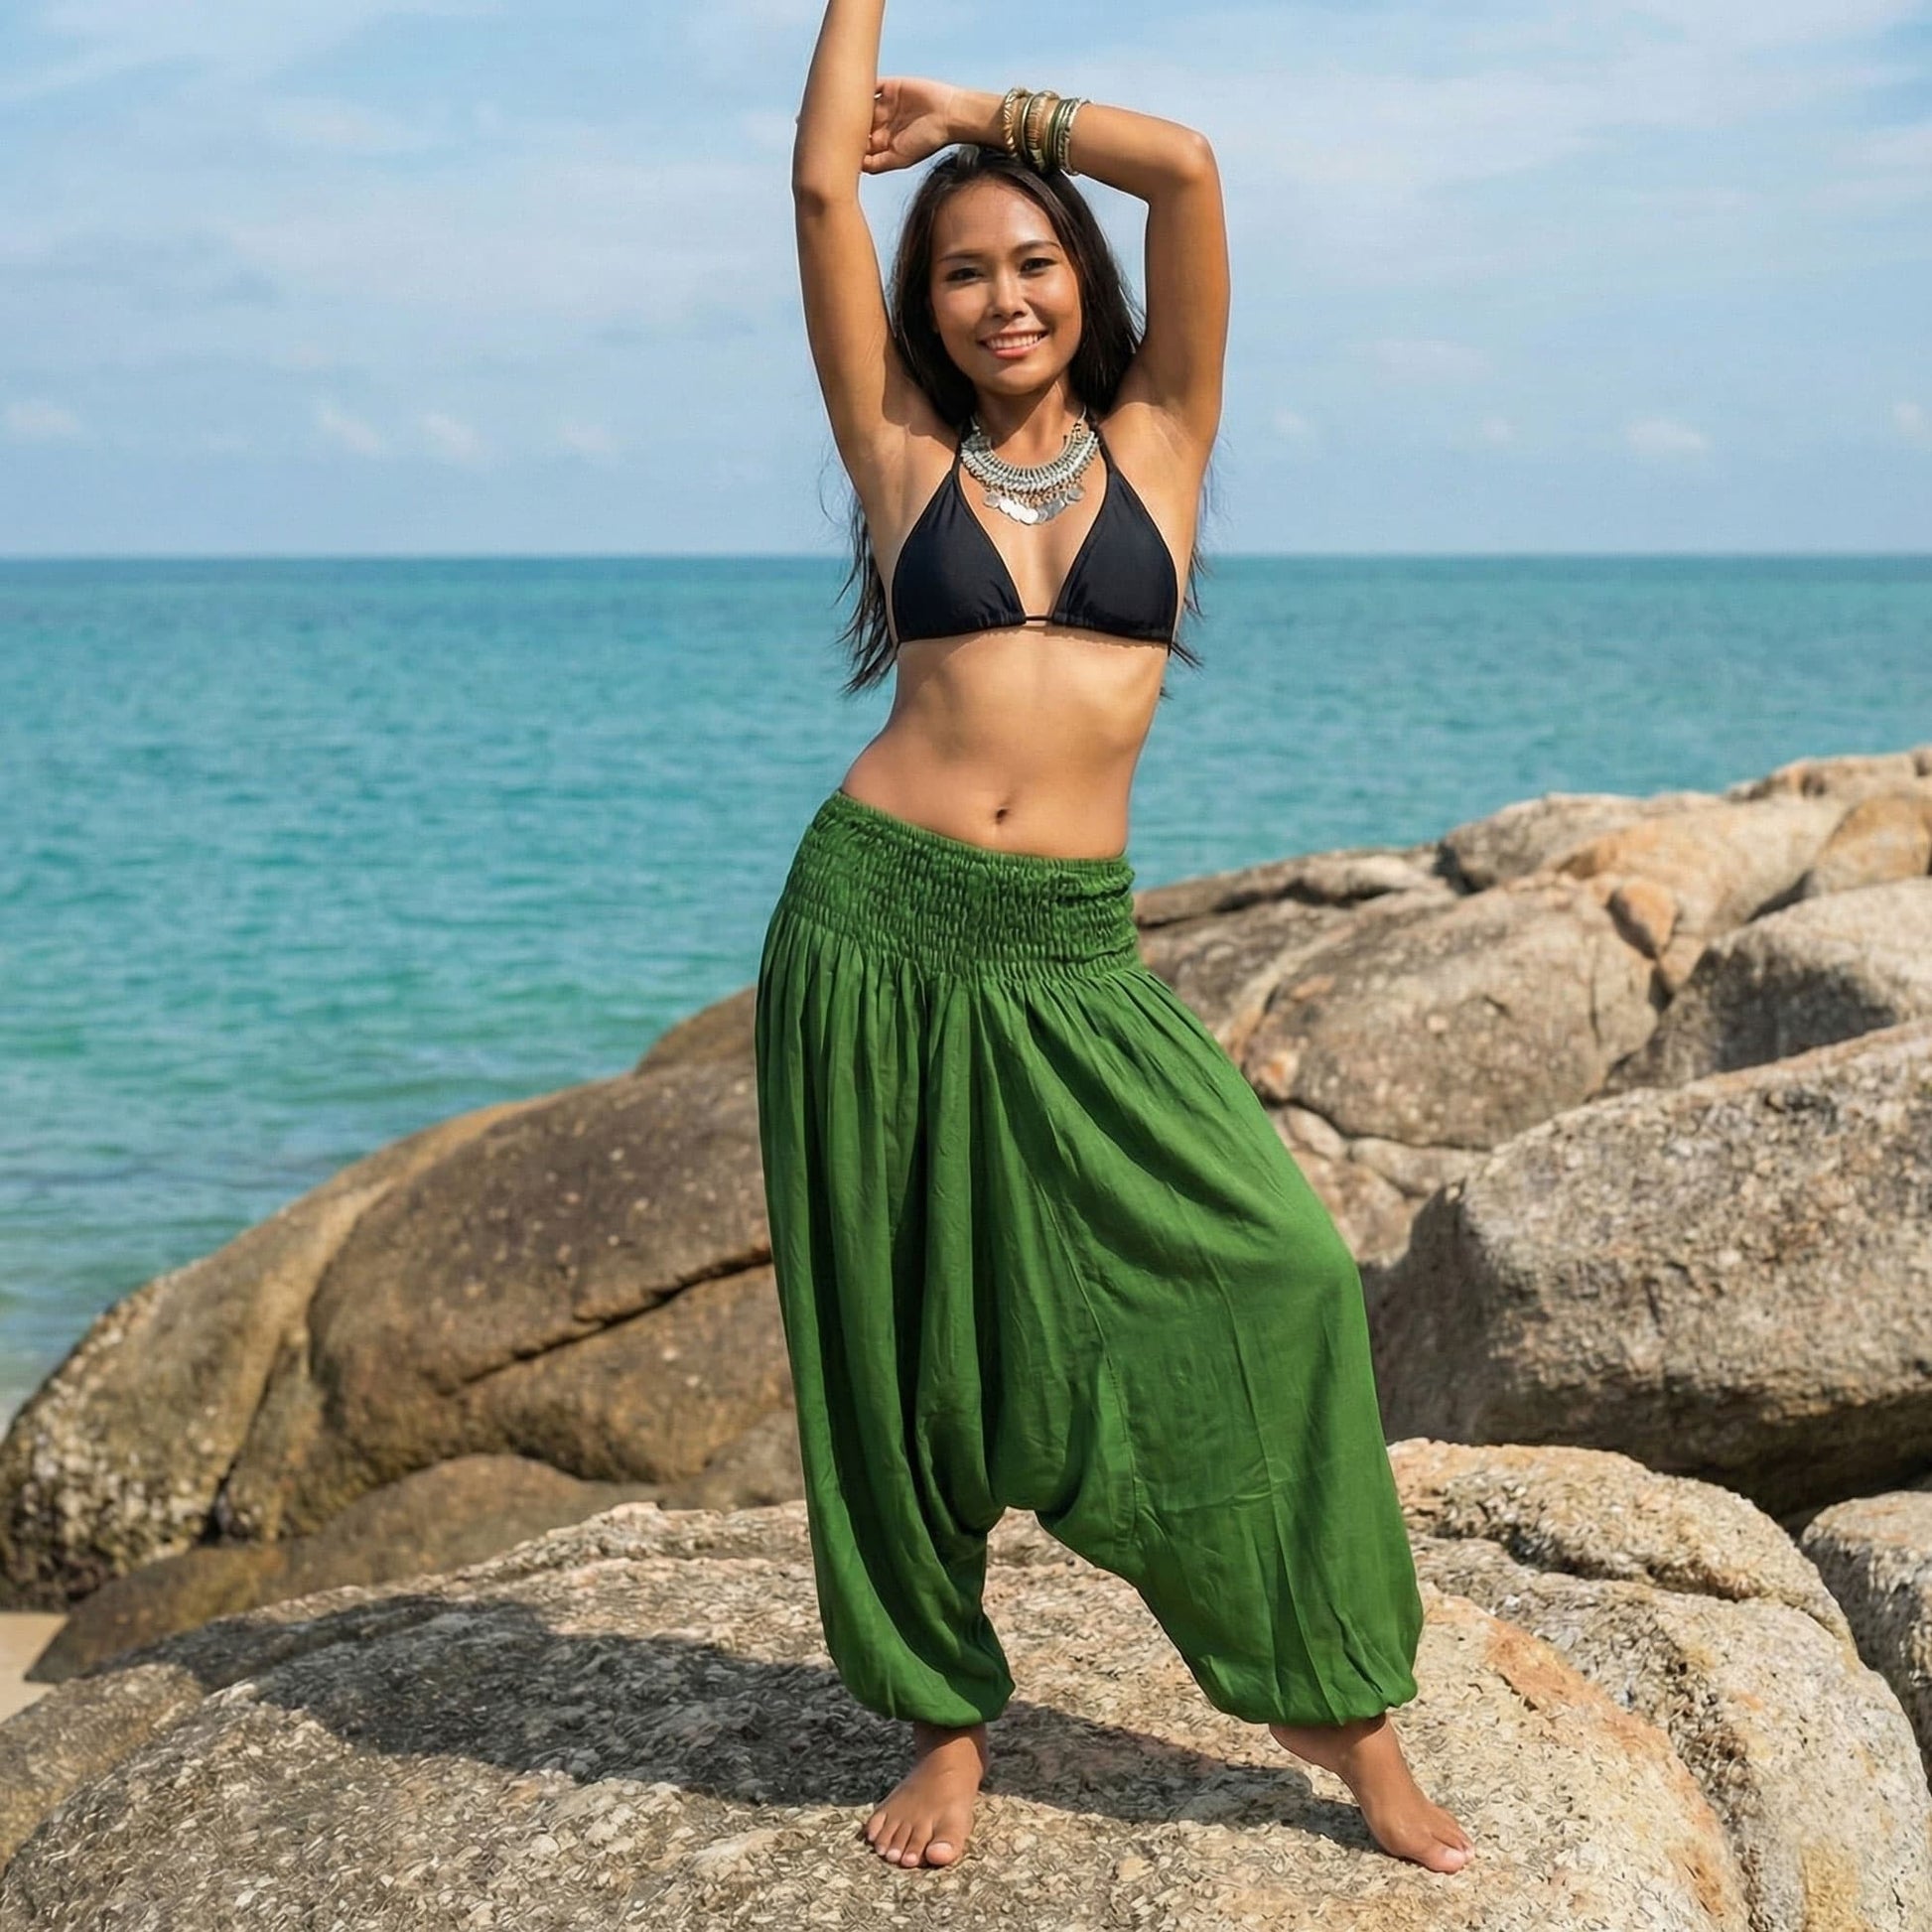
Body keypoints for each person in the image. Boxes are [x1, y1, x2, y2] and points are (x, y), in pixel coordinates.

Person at [755, 0, 1474, 1879]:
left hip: (1070, 953)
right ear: (931, 314)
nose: (1003, 298)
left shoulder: (1164, 435)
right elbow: (824, 189)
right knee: (903, 1336)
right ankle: (943, 1718)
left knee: (1283, 1277)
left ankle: (1338, 1709)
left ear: (1084, 279)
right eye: (969, 275)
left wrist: (988, 113)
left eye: (1035, 262)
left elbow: (1191, 170)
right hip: (871, 931)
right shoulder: (903, 453)